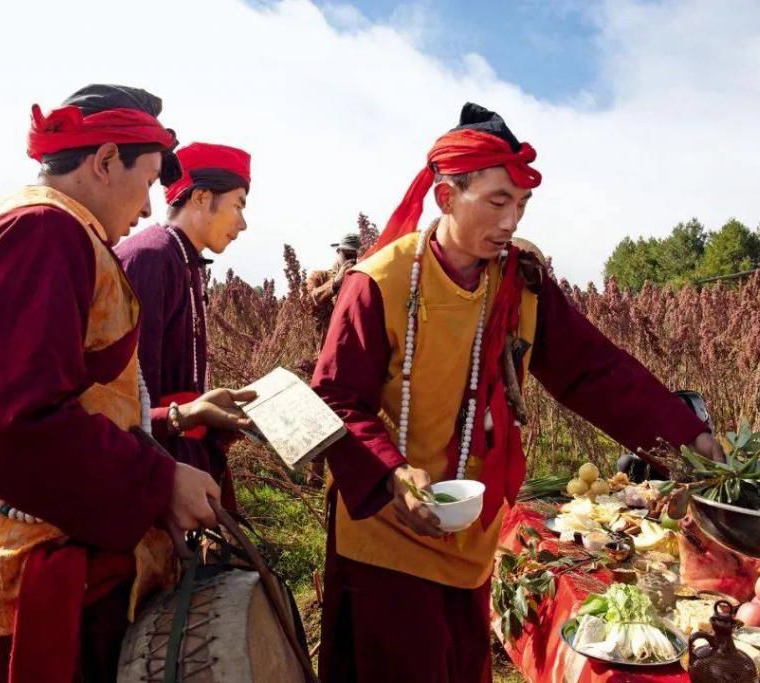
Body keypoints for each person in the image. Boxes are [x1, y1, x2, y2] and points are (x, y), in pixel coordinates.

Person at [311, 102, 725, 683]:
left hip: (468, 532)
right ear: (446, 198)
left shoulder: (518, 284)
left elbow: (594, 371)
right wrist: (392, 477)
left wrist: (689, 438)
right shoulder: (378, 282)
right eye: (497, 202)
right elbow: (334, 398)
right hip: (388, 528)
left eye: (521, 204)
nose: (511, 222)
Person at [0, 84, 226, 682]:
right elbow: (6, 419)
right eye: (145, 182)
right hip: (44, 590)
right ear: (106, 159)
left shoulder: (60, 231)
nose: (147, 209)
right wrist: (159, 479)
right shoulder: (42, 230)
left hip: (65, 565)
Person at [116, 142, 254, 511]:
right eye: (238, 205)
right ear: (202, 197)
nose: (242, 223)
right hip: (149, 471)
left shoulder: (184, 260)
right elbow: (129, 394)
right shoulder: (151, 257)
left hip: (176, 456)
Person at [306, 233, 360, 308]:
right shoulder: (320, 277)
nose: (354, 260)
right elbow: (307, 303)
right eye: (349, 255)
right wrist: (335, 283)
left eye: (358, 256)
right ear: (338, 251)